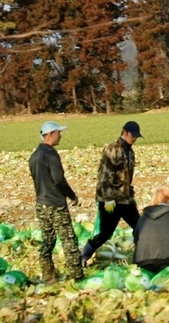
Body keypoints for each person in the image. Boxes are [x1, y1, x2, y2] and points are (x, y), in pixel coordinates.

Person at [80, 121, 143, 265]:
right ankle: (83, 256)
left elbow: (126, 178)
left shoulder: (130, 153)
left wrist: (130, 195)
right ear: (124, 132)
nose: (134, 139)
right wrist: (108, 198)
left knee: (140, 227)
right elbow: (104, 175)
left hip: (125, 200)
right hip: (111, 201)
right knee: (105, 233)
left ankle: (141, 255)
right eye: (132, 135)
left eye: (136, 137)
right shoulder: (113, 149)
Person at [28, 121, 84, 283]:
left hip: (41, 203)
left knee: (48, 239)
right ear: (51, 134)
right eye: (59, 132)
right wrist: (72, 196)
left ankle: (48, 275)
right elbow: (59, 180)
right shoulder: (51, 154)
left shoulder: (34, 156)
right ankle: (77, 277)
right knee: (69, 241)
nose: (61, 135)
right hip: (55, 205)